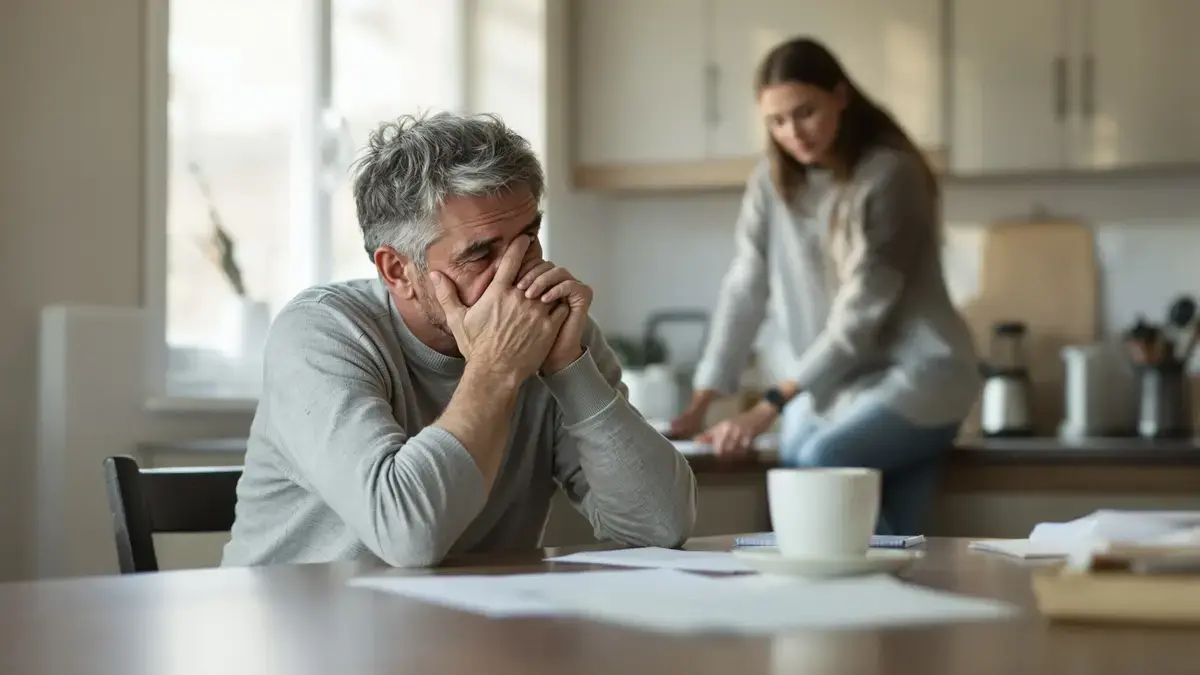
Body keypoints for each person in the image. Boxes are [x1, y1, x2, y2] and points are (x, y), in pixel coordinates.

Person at [222, 111, 697, 568]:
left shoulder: (549, 331)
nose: (518, 271)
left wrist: (570, 370)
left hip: (466, 634)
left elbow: (660, 526)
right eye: (482, 253)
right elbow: (407, 535)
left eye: (527, 237)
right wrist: (495, 370)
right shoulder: (320, 332)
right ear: (398, 270)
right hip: (294, 638)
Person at [669, 37, 981, 536]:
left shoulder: (890, 175)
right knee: (897, 542)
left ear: (840, 95)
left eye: (805, 112)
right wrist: (704, 397)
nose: (793, 132)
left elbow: (859, 317)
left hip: (922, 377)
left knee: (822, 458)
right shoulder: (770, 183)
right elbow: (745, 286)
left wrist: (767, 406)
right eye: (777, 120)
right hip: (838, 385)